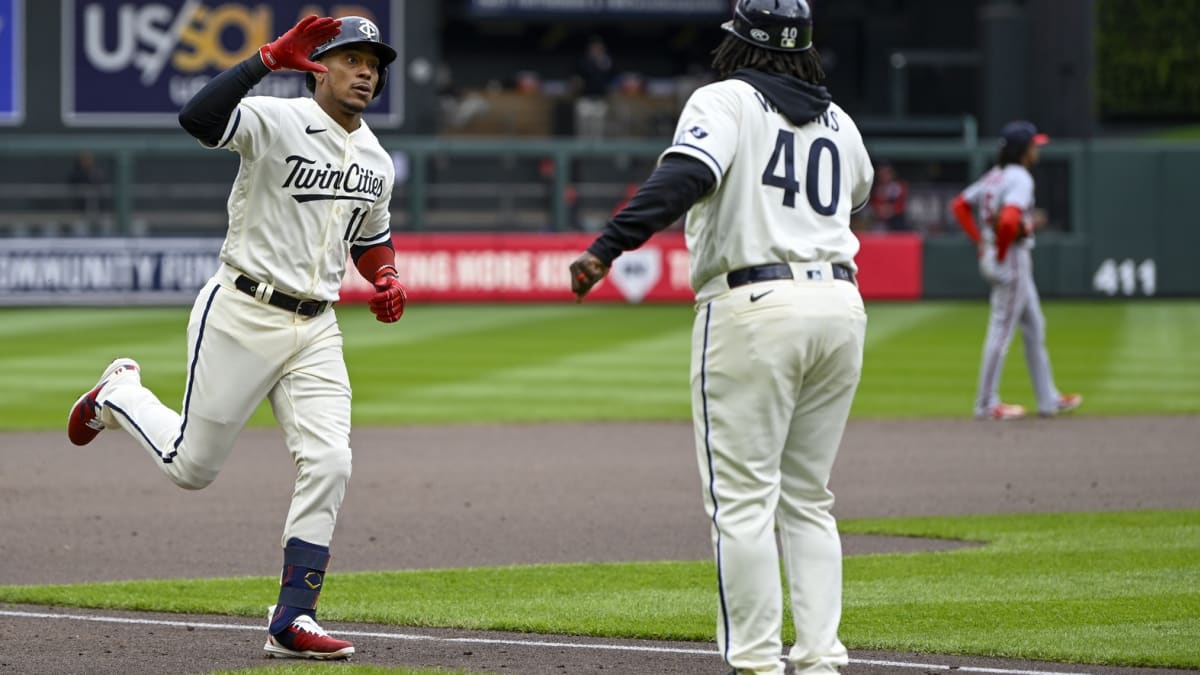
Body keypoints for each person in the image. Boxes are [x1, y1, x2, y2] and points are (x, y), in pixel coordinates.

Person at [66, 15, 408, 660]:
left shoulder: (376, 158)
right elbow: (197, 119)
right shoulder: (273, 120)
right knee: (192, 469)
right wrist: (262, 60)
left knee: (331, 461)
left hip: (317, 328)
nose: (366, 71)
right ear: (319, 66)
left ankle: (293, 617)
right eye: (352, 58)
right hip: (242, 311)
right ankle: (119, 394)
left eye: (374, 63)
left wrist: (385, 274)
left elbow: (370, 237)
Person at [569, 2, 873, 673]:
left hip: (755, 303)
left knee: (742, 501)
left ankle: (758, 662)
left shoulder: (727, 98)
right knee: (809, 496)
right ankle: (822, 657)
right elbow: (857, 201)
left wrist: (607, 245)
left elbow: (688, 176)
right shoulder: (841, 120)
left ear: (739, 43)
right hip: (841, 303)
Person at [951, 120, 1081, 420]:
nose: (1038, 149)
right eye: (1034, 145)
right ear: (1024, 151)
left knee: (1035, 325)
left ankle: (1048, 399)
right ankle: (986, 403)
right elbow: (1009, 221)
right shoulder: (1020, 177)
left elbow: (960, 205)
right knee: (1001, 331)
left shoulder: (995, 176)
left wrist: (981, 241)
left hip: (999, 253)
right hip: (1011, 258)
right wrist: (1003, 248)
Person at [868, 161, 910, 231]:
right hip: (878, 221)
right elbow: (873, 206)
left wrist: (890, 210)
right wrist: (880, 210)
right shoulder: (875, 188)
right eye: (881, 174)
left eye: (886, 173)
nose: (884, 176)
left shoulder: (898, 187)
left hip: (896, 221)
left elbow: (900, 206)